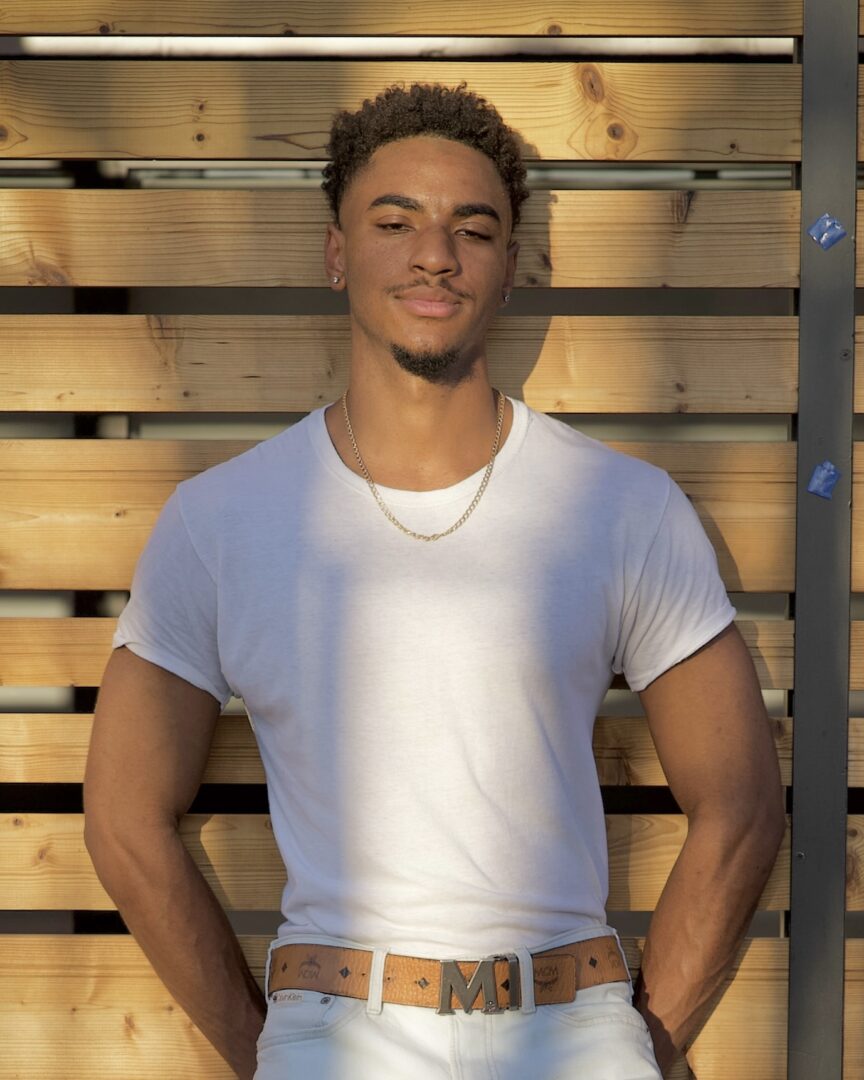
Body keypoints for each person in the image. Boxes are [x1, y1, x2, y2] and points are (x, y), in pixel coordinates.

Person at [84, 82, 785, 1079]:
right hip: (336, 1033)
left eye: (473, 228)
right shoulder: (221, 521)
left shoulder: (622, 507)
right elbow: (122, 818)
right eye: (395, 222)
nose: (434, 255)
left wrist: (643, 1043)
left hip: (572, 1029)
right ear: (337, 255)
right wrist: (271, 1050)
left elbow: (742, 804)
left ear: (509, 268)